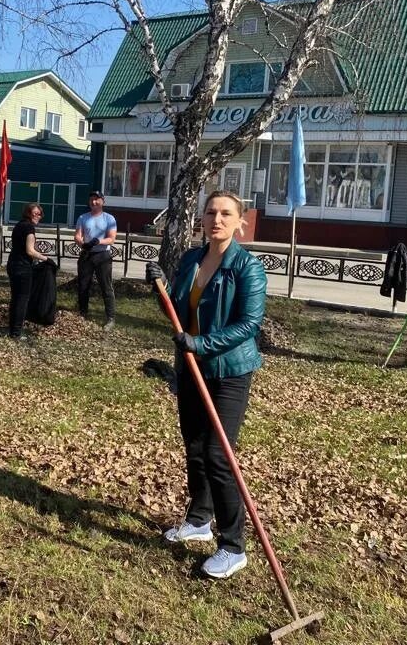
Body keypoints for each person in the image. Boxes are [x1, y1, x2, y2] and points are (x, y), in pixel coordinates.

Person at [145, 190, 267, 580]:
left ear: (239, 222)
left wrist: (200, 344)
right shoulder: (192, 259)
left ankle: (233, 546)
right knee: (195, 448)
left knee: (219, 456)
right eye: (211, 212)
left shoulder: (247, 267)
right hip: (191, 368)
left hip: (228, 371)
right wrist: (162, 286)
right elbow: (181, 309)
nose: (216, 219)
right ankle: (199, 519)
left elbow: (249, 325)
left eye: (225, 214)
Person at [74, 190, 117, 329]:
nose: (94, 202)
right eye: (91, 199)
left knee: (106, 287)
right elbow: (77, 235)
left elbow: (111, 239)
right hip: (87, 255)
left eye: (97, 199)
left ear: (103, 201)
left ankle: (110, 318)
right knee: (83, 286)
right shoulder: (82, 217)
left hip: (102, 256)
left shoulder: (109, 218)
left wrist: (98, 241)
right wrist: (82, 243)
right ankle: (82, 313)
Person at [6, 202, 48, 340]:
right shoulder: (29, 228)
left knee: (15, 297)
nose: (37, 216)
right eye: (34, 213)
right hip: (22, 268)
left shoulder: (19, 225)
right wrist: (45, 258)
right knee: (22, 299)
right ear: (28, 214)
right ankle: (16, 332)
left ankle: (12, 329)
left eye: (39, 213)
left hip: (12, 264)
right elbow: (29, 250)